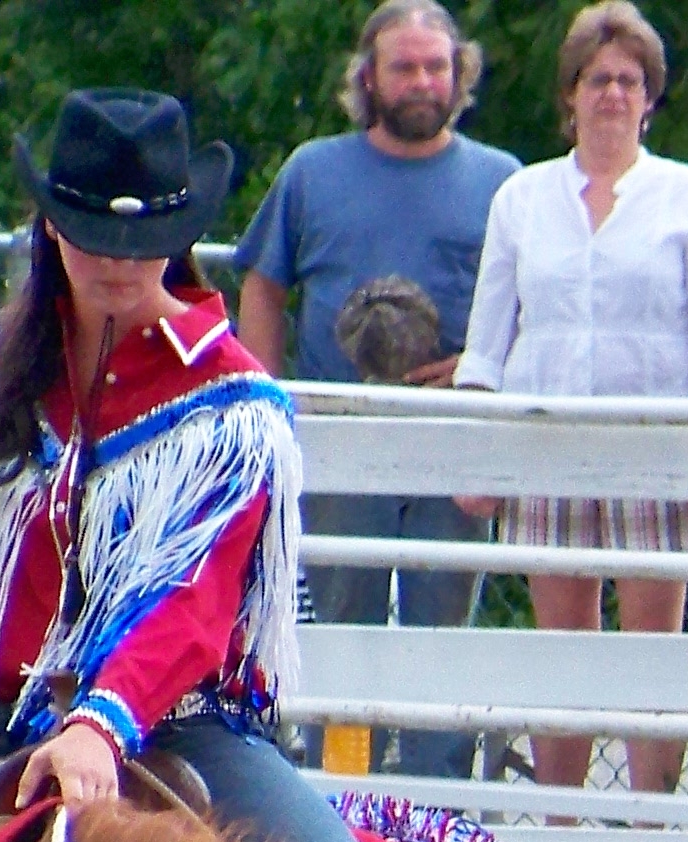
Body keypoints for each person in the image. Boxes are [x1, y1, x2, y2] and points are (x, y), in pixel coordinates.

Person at [0, 91, 421, 842]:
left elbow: (194, 603)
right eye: (92, 236)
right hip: (3, 728)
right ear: (51, 231)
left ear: (179, 241)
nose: (115, 264)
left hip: (185, 727)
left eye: (140, 246)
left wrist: (99, 723)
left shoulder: (234, 406)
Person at [453, 1, 688, 795]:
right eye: (596, 78)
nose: (612, 93)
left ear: (650, 97)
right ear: (570, 94)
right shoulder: (523, 197)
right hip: (545, 443)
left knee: (652, 656)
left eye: (629, 79)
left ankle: (650, 841)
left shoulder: (686, 197)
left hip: (657, 446)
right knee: (563, 655)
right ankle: (563, 841)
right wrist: (482, 456)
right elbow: (488, 339)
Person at [234, 2, 516, 784]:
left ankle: (436, 816)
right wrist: (268, 400)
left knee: (439, 638)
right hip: (340, 442)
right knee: (342, 633)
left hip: (449, 441)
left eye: (436, 65)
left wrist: (475, 365)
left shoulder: (502, 181)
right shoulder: (314, 171)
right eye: (404, 66)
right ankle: (345, 805)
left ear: (459, 73)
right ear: (368, 77)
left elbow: (526, 306)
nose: (423, 81)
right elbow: (263, 285)